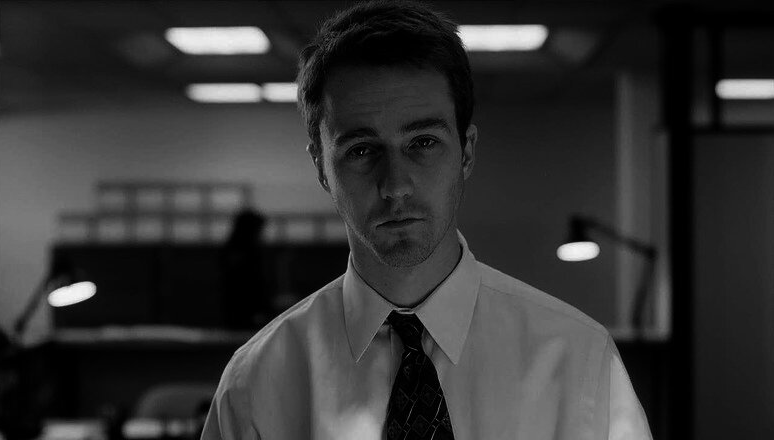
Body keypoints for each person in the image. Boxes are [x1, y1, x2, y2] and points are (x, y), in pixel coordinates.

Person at [201, 1, 652, 439]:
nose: (395, 185)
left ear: (466, 152)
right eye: (361, 150)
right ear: (321, 166)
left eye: (423, 143)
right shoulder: (255, 384)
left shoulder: (581, 362)